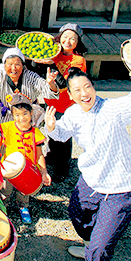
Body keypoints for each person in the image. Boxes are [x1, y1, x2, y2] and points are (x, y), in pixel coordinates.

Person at [45, 68, 131, 261]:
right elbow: (61, 133)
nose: (84, 93)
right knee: (76, 213)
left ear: (93, 87)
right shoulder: (73, 112)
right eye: (77, 90)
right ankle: (88, 248)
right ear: (70, 95)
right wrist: (52, 126)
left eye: (87, 87)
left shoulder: (111, 108)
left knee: (102, 246)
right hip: (91, 182)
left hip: (121, 188)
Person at [37, 23, 87, 183]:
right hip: (50, 101)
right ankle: (51, 154)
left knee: (64, 136)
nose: (68, 41)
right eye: (65, 37)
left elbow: (65, 82)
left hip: (66, 105)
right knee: (51, 129)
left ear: (78, 42)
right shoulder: (53, 54)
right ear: (59, 38)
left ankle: (62, 167)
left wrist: (51, 64)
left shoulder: (78, 60)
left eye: (73, 38)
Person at [0, 47, 59, 130]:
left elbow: (46, 89)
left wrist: (51, 83)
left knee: (27, 144)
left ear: (23, 66)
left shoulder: (31, 77)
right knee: (2, 142)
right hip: (6, 115)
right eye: (9, 64)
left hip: (27, 118)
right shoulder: (0, 76)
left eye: (17, 64)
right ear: (4, 65)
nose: (13, 68)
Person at [0, 93, 51, 224]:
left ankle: (23, 207)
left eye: (25, 114)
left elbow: (39, 154)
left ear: (31, 113)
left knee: (24, 191)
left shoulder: (35, 132)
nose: (21, 118)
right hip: (8, 168)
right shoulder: (7, 128)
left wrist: (44, 172)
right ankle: (4, 207)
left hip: (27, 170)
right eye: (17, 115)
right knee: (5, 190)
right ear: (12, 115)